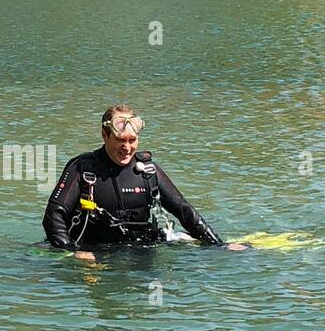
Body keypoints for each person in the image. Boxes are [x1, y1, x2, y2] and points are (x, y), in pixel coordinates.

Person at [43, 106, 248, 260]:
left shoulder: (148, 171)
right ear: (104, 135)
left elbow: (184, 210)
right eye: (120, 140)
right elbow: (54, 215)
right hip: (97, 255)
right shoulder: (83, 169)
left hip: (143, 252)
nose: (127, 147)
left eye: (132, 140)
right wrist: (71, 252)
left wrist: (219, 245)